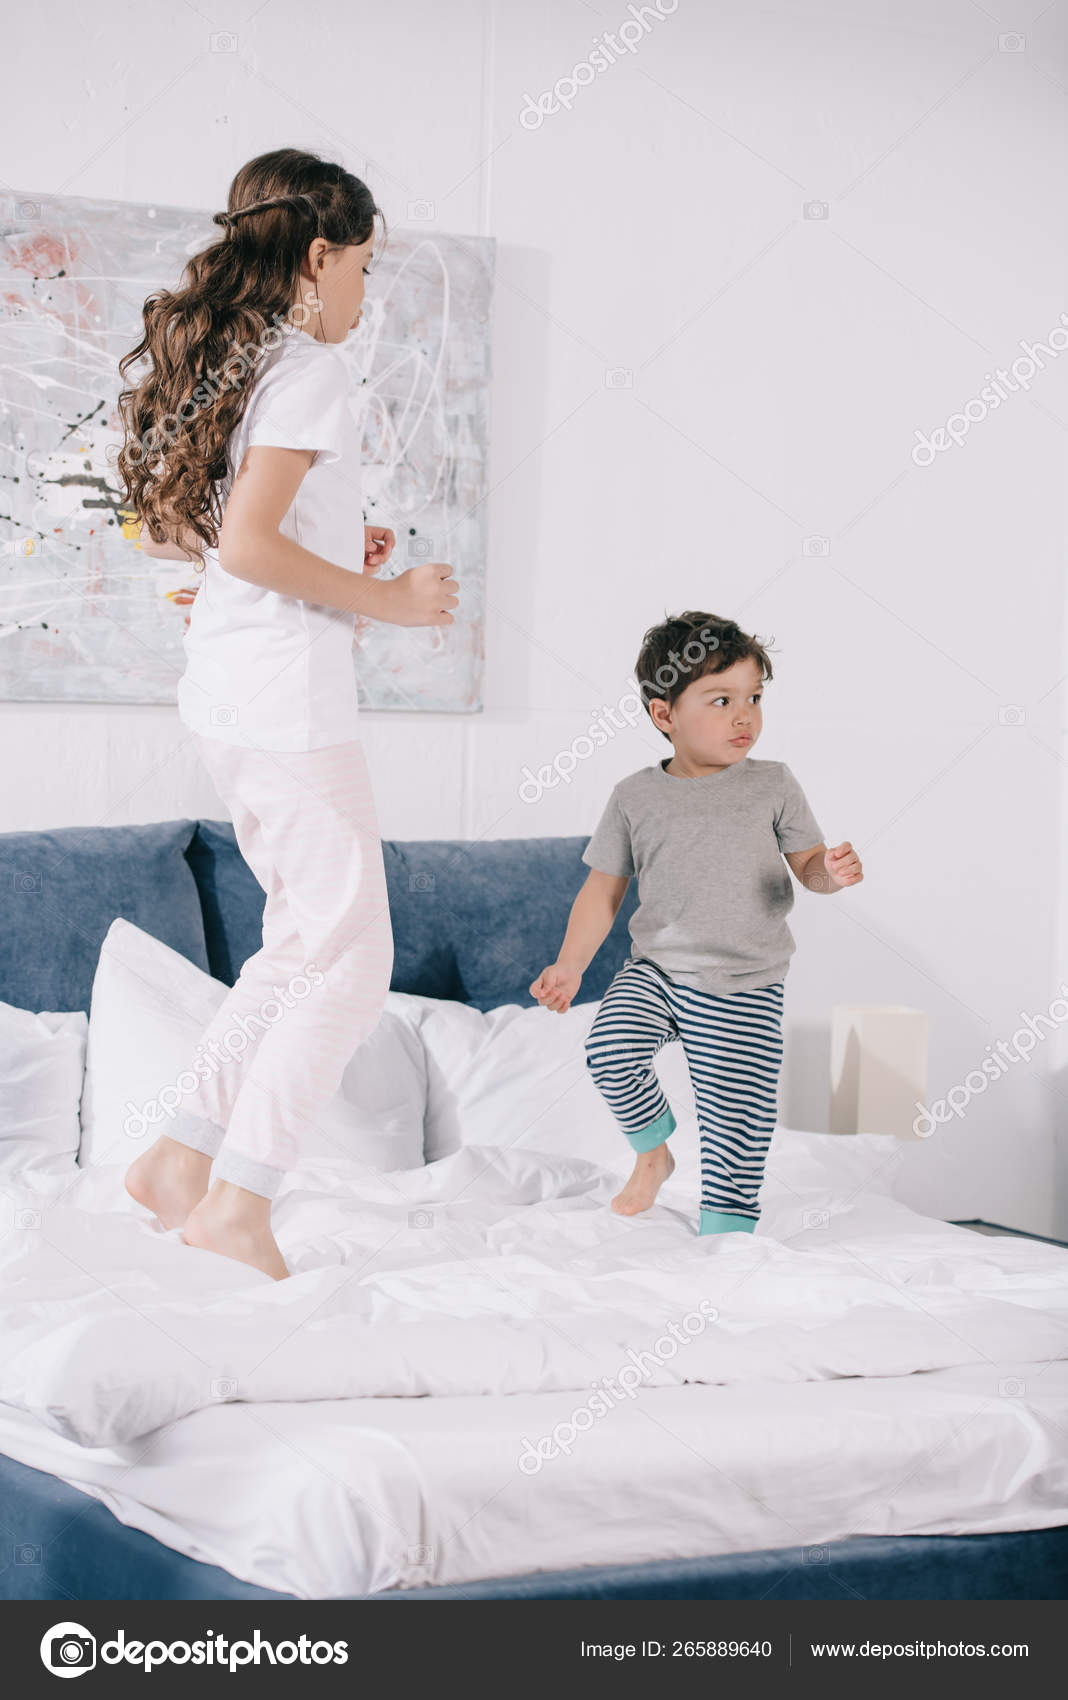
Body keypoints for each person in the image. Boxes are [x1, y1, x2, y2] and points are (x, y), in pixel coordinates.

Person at [116, 148, 458, 1279]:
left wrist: (326, 554)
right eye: (365, 267)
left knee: (302, 942)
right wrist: (394, 601)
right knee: (356, 959)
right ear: (319, 256)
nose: (366, 293)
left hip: (228, 686)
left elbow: (189, 534)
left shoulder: (241, 363)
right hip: (285, 697)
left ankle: (180, 1159)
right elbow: (255, 546)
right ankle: (237, 1202)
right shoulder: (308, 368)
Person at [529, 612, 863, 1236]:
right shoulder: (635, 797)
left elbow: (808, 868)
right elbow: (602, 893)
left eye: (754, 698)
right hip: (657, 969)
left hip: (745, 980)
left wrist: (831, 872)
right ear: (665, 716)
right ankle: (653, 1152)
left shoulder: (773, 785)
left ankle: (725, 1243)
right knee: (609, 1048)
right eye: (721, 700)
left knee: (737, 1125)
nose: (745, 717)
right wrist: (569, 965)